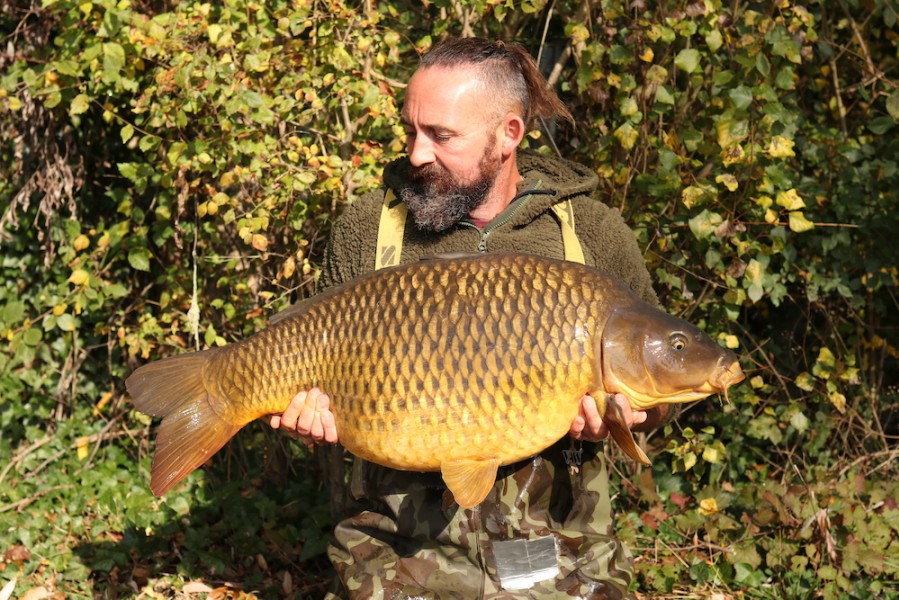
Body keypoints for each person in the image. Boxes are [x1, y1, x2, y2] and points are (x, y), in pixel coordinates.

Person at [270, 37, 671, 599]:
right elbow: (320, 380)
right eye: (410, 129)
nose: (415, 153)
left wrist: (635, 417)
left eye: (441, 135)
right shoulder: (368, 228)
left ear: (508, 135)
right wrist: (308, 420)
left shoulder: (594, 234)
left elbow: (660, 385)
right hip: (395, 566)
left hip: (560, 563)